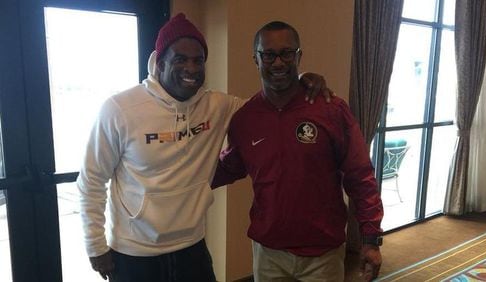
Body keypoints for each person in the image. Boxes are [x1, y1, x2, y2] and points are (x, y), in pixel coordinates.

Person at [77, 13, 332, 282]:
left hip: (192, 248)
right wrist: (95, 246)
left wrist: (298, 78)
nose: (191, 68)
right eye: (180, 59)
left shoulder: (217, 106)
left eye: (198, 60)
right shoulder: (120, 110)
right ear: (160, 62)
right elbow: (92, 180)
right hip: (135, 254)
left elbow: (267, 108)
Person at [211, 21, 384, 282]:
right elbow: (230, 166)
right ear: (256, 60)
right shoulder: (245, 119)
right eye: (268, 55)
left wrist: (371, 237)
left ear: (299, 56)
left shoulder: (330, 109)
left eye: (287, 53)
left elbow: (359, 175)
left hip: (322, 255)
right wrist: (183, 181)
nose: (278, 62)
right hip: (269, 253)